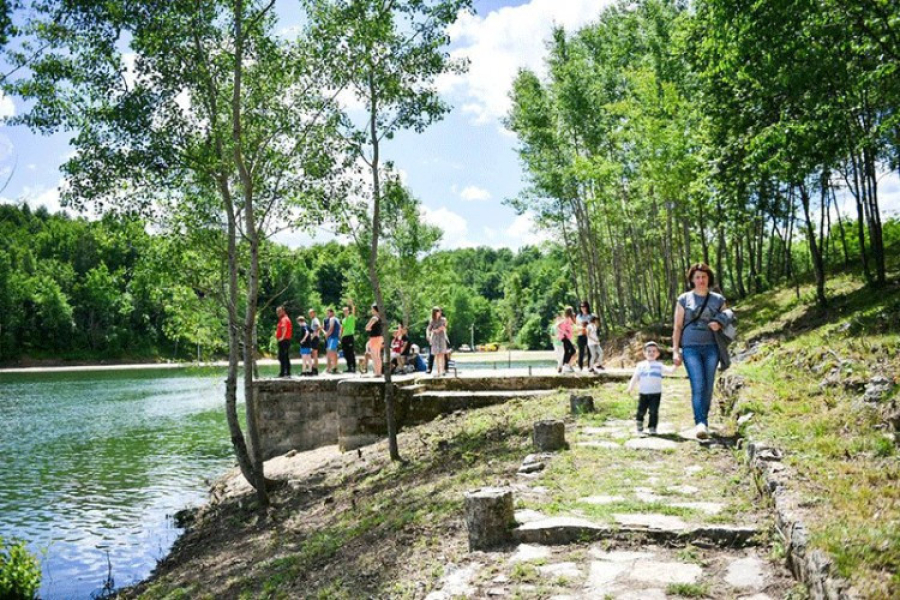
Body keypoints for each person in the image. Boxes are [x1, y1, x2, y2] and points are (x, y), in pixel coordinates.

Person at [672, 263, 727, 440]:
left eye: (704, 277)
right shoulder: (684, 299)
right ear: (692, 280)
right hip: (690, 347)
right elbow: (678, 326)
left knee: (708, 386)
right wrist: (675, 350)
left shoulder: (718, 299)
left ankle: (704, 420)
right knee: (698, 384)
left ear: (709, 278)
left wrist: (719, 322)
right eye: (697, 277)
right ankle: (700, 423)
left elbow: (729, 318)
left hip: (712, 347)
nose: (701, 280)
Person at [627, 341, 675, 434]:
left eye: (654, 351)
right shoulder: (641, 365)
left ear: (657, 353)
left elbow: (670, 371)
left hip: (656, 393)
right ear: (644, 353)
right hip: (643, 393)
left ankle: (652, 427)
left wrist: (676, 364)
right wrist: (630, 387)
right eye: (649, 351)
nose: (651, 353)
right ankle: (639, 424)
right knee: (641, 410)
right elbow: (635, 377)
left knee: (653, 411)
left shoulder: (659, 365)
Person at [427, 306, 449, 377]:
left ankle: (443, 370)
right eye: (438, 311)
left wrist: (438, 329)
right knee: (436, 355)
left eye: (440, 311)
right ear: (435, 313)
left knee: (442, 355)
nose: (440, 312)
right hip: (435, 339)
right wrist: (428, 335)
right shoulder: (432, 321)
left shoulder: (443, 319)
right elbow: (428, 329)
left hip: (442, 338)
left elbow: (445, 327)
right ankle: (438, 371)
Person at [365, 304, 384, 376]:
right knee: (378, 356)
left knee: (374, 356)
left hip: (374, 338)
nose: (371, 310)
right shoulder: (381, 318)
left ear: (375, 309)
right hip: (380, 338)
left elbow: (367, 327)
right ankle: (379, 372)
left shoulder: (374, 318)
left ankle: (377, 373)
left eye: (372, 309)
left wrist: (369, 328)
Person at [556, 306, 576, 373]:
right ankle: (565, 365)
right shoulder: (564, 319)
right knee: (573, 350)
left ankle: (562, 366)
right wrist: (564, 332)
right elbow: (557, 326)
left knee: (567, 351)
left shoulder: (569, 319)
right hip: (564, 337)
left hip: (567, 337)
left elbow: (572, 326)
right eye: (572, 311)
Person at [576, 301, 594, 371]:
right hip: (580, 335)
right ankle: (580, 367)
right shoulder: (578, 316)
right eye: (581, 307)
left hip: (589, 335)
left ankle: (590, 367)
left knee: (590, 352)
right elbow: (577, 326)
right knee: (581, 352)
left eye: (584, 306)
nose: (582, 308)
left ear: (587, 307)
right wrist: (581, 327)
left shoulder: (591, 316)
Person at [275, 306, 292, 377]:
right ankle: (287, 372)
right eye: (277, 312)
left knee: (282, 357)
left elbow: (284, 328)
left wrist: (282, 337)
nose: (277, 313)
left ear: (283, 311)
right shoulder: (284, 318)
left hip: (284, 341)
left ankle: (283, 372)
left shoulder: (284, 319)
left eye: (279, 312)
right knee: (285, 356)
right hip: (285, 340)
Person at [323, 308, 342, 375]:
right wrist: (339, 338)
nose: (327, 314)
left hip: (332, 338)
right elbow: (340, 329)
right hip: (335, 338)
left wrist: (326, 335)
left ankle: (331, 368)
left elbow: (331, 328)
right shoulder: (337, 319)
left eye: (328, 313)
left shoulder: (332, 319)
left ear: (332, 313)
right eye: (327, 313)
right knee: (334, 353)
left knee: (330, 353)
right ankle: (335, 368)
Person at [340, 301, 357, 373]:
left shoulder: (351, 317)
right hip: (344, 338)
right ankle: (349, 367)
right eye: (344, 311)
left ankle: (353, 367)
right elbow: (342, 328)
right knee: (345, 353)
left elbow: (354, 309)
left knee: (351, 352)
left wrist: (351, 304)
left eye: (346, 311)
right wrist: (340, 337)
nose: (345, 312)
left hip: (350, 336)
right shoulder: (343, 320)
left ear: (348, 311)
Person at [308, 309, 321, 376]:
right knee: (314, 354)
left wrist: (312, 336)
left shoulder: (315, 319)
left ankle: (315, 369)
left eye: (311, 313)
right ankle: (314, 368)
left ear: (314, 313)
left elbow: (318, 327)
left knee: (315, 354)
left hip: (315, 338)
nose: (309, 314)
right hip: (315, 338)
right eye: (309, 313)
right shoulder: (313, 320)